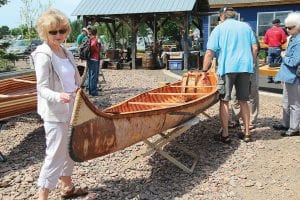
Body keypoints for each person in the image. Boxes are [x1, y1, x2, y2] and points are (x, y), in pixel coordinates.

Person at [31, 9, 87, 200]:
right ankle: (43, 196)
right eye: (53, 32)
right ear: (45, 32)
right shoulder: (42, 54)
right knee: (54, 153)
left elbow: (74, 80)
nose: (59, 35)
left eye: (62, 30)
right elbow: (42, 88)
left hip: (73, 106)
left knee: (71, 148)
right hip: (56, 110)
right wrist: (58, 96)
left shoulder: (65, 51)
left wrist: (78, 93)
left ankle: (67, 187)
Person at [202, 6, 258, 143]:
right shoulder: (246, 27)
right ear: (234, 15)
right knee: (244, 101)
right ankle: (246, 134)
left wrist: (204, 71)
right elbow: (255, 47)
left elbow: (210, 52)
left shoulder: (219, 29)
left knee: (225, 100)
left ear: (222, 16)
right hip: (245, 68)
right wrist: (252, 63)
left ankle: (225, 135)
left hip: (227, 67)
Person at [273, 12, 300, 137]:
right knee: (286, 101)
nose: (287, 30)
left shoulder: (298, 41)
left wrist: (284, 56)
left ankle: (294, 128)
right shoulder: (293, 38)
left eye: (290, 28)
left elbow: (294, 61)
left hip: (294, 76)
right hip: (288, 75)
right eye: (286, 28)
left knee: (294, 103)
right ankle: (286, 123)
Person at [264, 18, 287, 83]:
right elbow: (284, 39)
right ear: (278, 23)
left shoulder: (268, 30)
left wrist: (270, 43)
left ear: (273, 24)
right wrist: (280, 43)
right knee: (277, 64)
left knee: (270, 63)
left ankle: (269, 78)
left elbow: (265, 41)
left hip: (270, 48)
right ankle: (277, 79)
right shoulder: (281, 30)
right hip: (277, 48)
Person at [87, 26, 101, 96]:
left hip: (90, 58)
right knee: (94, 75)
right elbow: (93, 47)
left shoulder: (89, 38)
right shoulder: (95, 39)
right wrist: (97, 48)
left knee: (90, 75)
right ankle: (93, 91)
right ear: (96, 32)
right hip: (94, 59)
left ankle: (90, 90)